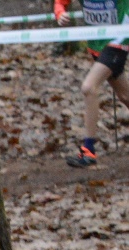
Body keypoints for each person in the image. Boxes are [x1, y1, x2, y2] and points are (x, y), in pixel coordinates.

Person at [57, 0, 129, 167]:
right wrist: (60, 12)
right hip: (97, 45)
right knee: (125, 95)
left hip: (119, 41)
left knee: (89, 88)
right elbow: (61, 2)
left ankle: (88, 150)